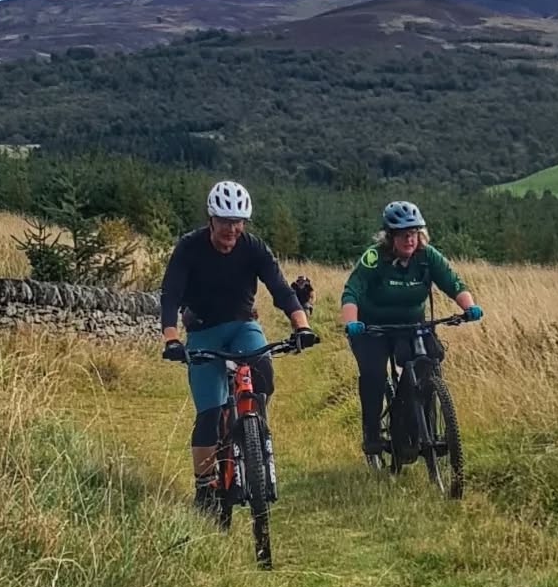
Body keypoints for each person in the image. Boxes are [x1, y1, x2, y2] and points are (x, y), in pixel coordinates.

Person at [160, 180, 316, 512]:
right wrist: (171, 338)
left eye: (239, 221)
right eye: (225, 221)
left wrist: (301, 326)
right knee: (208, 413)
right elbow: (170, 294)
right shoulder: (189, 247)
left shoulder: (253, 247)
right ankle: (204, 487)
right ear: (211, 219)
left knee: (264, 373)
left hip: (243, 325)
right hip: (203, 331)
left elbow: (280, 289)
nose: (233, 228)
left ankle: (253, 432)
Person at [339, 201, 481, 463]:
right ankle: (372, 432)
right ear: (390, 236)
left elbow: (453, 282)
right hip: (373, 326)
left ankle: (419, 428)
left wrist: (469, 306)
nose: (410, 238)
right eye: (403, 233)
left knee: (428, 364)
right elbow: (352, 291)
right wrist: (352, 322)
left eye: (414, 232)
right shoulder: (374, 257)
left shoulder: (428, 257)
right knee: (374, 374)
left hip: (412, 324)